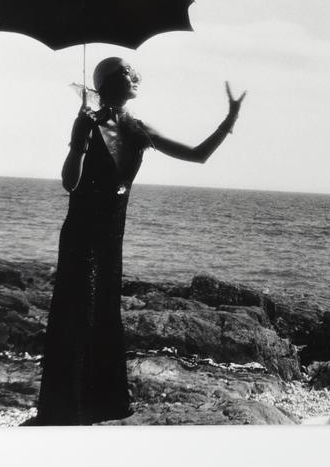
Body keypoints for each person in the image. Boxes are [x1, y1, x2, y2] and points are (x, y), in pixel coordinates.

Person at [31, 57, 245, 425]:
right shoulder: (87, 123)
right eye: (129, 73)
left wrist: (230, 120)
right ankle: (63, 409)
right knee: (75, 313)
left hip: (111, 236)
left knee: (103, 315)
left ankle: (101, 405)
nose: (136, 78)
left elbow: (198, 155)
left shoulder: (135, 130)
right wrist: (78, 140)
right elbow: (70, 182)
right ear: (109, 82)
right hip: (82, 234)